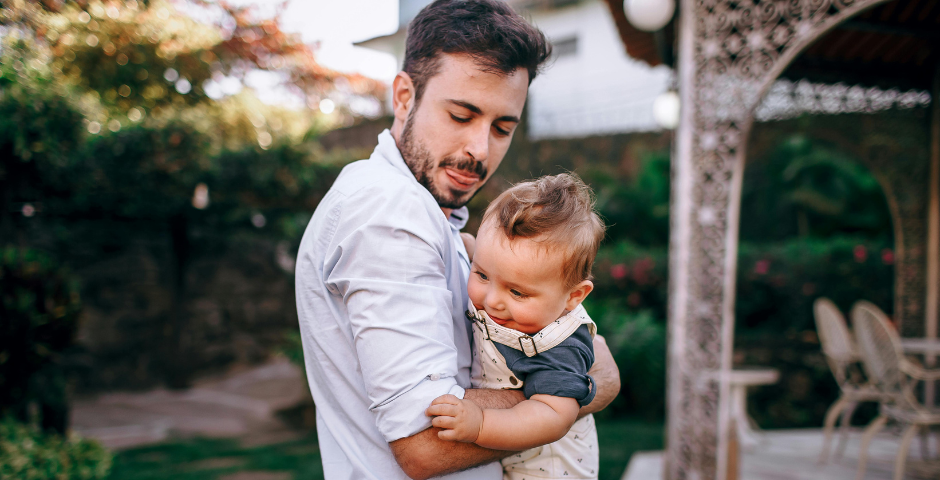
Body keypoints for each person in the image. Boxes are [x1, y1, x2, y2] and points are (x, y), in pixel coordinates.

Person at [294, 1, 620, 479]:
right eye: (461, 115)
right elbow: (426, 443)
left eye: (502, 127)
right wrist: (581, 384)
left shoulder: (434, 214)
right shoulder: (389, 212)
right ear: (404, 96)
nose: (480, 150)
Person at [428, 173, 604, 479]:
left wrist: (481, 424)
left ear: (573, 297)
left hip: (550, 470)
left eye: (517, 292)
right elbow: (482, 254)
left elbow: (552, 416)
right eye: (481, 274)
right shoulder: (507, 283)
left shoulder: (560, 345)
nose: (493, 300)